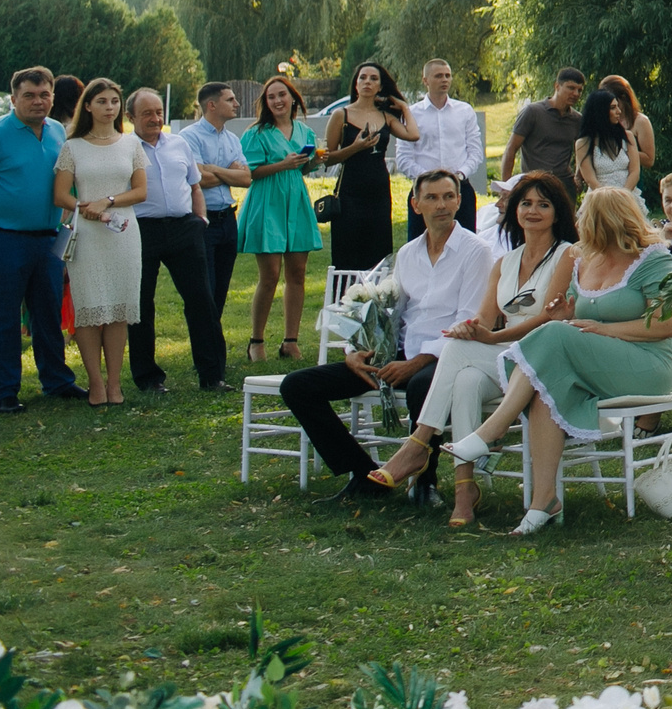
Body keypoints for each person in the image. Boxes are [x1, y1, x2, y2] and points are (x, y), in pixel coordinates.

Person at [448, 186, 672, 532]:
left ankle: (492, 429)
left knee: (554, 343)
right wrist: (565, 314)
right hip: (592, 360)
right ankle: (544, 501)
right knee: (544, 389)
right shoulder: (583, 258)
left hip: (645, 365)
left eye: (585, 216)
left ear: (606, 221)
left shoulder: (653, 258)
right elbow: (569, 322)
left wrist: (601, 329)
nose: (579, 222)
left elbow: (666, 324)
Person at [361, 171, 576, 526]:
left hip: (544, 358)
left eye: (543, 204)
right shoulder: (505, 261)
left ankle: (418, 442)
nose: (533, 211)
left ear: (558, 213)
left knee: (455, 352)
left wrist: (488, 338)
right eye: (525, 203)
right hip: (507, 358)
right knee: (463, 379)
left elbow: (548, 321)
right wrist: (470, 328)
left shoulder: (566, 254)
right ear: (514, 210)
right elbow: (484, 318)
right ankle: (465, 490)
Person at [276, 170, 493, 501]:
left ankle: (424, 482)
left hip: (447, 359)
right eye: (432, 198)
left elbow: (469, 322)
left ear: (460, 201)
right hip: (399, 356)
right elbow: (389, 312)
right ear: (415, 204)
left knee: (423, 384)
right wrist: (357, 349)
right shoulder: (408, 253)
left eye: (449, 196)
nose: (441, 205)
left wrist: (416, 362)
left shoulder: (476, 251)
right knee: (298, 386)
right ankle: (363, 474)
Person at [0, 67, 85, 412]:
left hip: (48, 239)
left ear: (53, 97)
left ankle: (56, 381)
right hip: (3, 239)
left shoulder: (57, 132)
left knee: (47, 312)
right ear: (13, 99)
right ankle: (5, 391)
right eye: (29, 95)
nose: (38, 102)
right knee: (3, 316)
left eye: (44, 95)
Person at [123, 88, 228, 395]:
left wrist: (200, 220)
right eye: (147, 114)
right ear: (130, 117)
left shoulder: (179, 143)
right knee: (142, 305)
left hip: (185, 229)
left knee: (201, 300)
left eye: (158, 112)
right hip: (142, 229)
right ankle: (148, 378)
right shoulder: (124, 149)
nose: (155, 118)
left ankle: (212, 375)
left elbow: (195, 186)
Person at [52, 78, 147, 408]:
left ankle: (115, 383)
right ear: (87, 106)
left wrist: (107, 201)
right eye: (102, 101)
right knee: (90, 309)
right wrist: (85, 207)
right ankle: (95, 383)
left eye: (115, 101)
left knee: (118, 308)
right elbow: (60, 194)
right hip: (88, 235)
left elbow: (140, 191)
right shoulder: (72, 147)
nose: (110, 108)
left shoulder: (131, 144)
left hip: (122, 232)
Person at [240, 76, 322, 363]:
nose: (277, 101)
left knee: (297, 273)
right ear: (266, 102)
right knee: (270, 274)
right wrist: (282, 164)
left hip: (295, 201)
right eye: (272, 97)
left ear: (293, 99)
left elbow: (302, 170)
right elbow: (250, 172)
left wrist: (312, 161)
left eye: (282, 95)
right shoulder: (256, 133)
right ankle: (256, 340)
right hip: (267, 202)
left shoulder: (304, 131)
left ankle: (290, 340)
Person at [316, 62, 420, 272]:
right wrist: (356, 147)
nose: (367, 82)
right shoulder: (340, 115)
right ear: (355, 84)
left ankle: (376, 297)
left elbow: (413, 134)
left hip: (378, 191)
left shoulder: (386, 117)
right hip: (350, 191)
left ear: (380, 87)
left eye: (373, 79)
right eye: (363, 78)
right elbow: (328, 159)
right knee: (349, 248)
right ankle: (346, 298)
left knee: (378, 249)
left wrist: (404, 108)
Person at [178, 82, 251, 311]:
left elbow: (247, 179)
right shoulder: (189, 137)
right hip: (203, 221)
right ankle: (206, 344)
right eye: (230, 100)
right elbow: (199, 179)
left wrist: (215, 169)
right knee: (204, 291)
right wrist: (230, 171)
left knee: (220, 293)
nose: (236, 104)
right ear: (211, 105)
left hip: (228, 221)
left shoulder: (232, 139)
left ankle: (212, 343)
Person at [397, 61, 488, 230]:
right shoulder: (412, 114)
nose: (444, 79)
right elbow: (403, 158)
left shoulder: (465, 111)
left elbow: (475, 152)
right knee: (421, 247)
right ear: (425, 80)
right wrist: (430, 180)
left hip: (459, 189)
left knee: (464, 247)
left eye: (447, 75)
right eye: (438, 76)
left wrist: (459, 175)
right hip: (424, 191)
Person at [501, 68, 588, 193]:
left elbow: (582, 151)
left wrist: (578, 177)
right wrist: (506, 187)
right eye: (571, 88)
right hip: (533, 183)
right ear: (557, 86)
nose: (576, 94)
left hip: (564, 185)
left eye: (580, 90)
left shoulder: (577, 119)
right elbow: (511, 148)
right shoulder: (533, 112)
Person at [571, 87, 640, 196]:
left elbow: (635, 172)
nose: (619, 111)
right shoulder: (583, 143)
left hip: (628, 195)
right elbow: (590, 179)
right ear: (600, 111)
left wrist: (624, 194)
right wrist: (609, 198)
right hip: (599, 197)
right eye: (613, 108)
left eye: (618, 106)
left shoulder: (628, 137)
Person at [598, 75, 656, 182]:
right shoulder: (601, 120)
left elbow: (649, 160)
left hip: (630, 180)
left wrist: (623, 150)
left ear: (623, 97)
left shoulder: (640, 121)